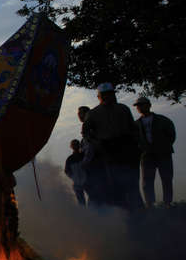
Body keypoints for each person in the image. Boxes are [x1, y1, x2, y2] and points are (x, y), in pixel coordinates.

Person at [81, 83, 144, 212]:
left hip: (127, 145)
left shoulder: (123, 109)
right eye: (103, 94)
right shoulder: (92, 113)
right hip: (108, 147)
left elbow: (133, 128)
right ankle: (121, 210)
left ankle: (137, 208)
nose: (106, 96)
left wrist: (136, 142)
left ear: (113, 94)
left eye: (109, 93)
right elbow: (85, 133)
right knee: (114, 179)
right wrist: (96, 141)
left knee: (132, 177)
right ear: (98, 96)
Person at [133, 97, 177, 209]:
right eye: (138, 105)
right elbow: (134, 139)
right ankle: (150, 204)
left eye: (142, 104)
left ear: (149, 105)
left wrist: (164, 146)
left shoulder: (162, 120)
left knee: (166, 178)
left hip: (163, 154)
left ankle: (168, 202)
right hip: (146, 155)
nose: (140, 107)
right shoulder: (136, 124)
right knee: (147, 181)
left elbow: (171, 134)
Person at [64, 139, 87, 206]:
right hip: (77, 184)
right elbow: (67, 171)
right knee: (81, 202)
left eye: (76, 144)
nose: (75, 145)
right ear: (70, 146)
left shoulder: (84, 156)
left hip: (86, 181)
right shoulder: (70, 159)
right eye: (73, 144)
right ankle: (86, 214)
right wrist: (74, 178)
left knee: (92, 199)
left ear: (79, 145)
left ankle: (91, 214)